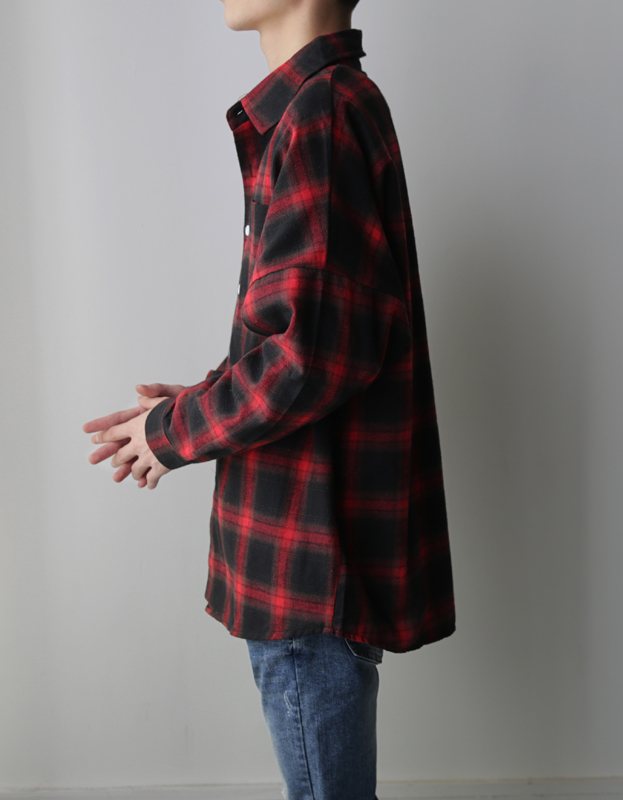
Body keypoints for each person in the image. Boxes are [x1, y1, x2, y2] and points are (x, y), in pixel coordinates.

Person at [82, 1, 456, 797]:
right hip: (312, 549)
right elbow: (306, 337)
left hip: (309, 557)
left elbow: (309, 356)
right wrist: (204, 397)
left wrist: (174, 431)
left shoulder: (322, 112)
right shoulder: (326, 105)